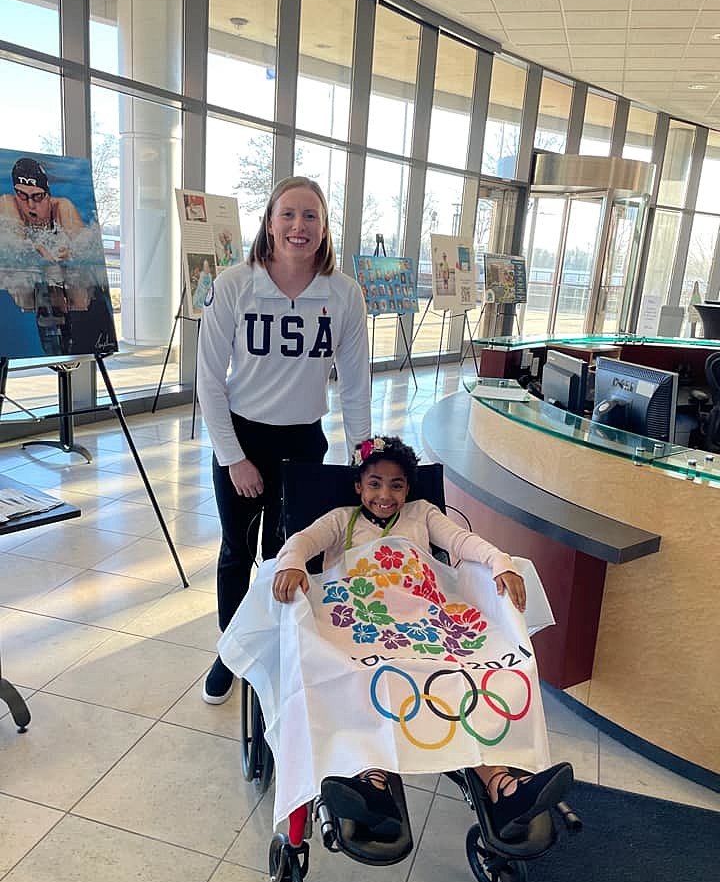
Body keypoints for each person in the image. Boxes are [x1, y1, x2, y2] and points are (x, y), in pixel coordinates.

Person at [272, 435, 573, 841]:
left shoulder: (423, 514)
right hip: (361, 620)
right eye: (374, 483)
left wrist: (501, 563)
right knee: (365, 677)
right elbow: (302, 542)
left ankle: (505, 788)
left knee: (474, 675)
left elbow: (463, 543)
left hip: (426, 617)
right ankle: (372, 784)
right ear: (358, 486)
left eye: (396, 485)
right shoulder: (341, 520)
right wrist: (291, 563)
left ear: (408, 488)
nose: (385, 494)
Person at [197, 176, 371, 705]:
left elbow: (357, 384)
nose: (299, 226)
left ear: (324, 227)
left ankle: (277, 645)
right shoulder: (235, 284)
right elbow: (208, 379)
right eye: (288, 215)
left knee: (289, 554)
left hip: (304, 444)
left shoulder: (344, 292)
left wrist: (361, 457)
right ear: (269, 223)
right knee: (236, 552)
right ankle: (231, 651)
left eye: (311, 216)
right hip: (245, 442)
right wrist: (234, 459)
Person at [0, 157, 86, 261]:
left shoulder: (62, 208)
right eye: (22, 195)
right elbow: (15, 250)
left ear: (48, 196)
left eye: (37, 196)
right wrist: (35, 250)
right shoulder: (7, 203)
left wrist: (71, 255)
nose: (30, 204)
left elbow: (85, 250)